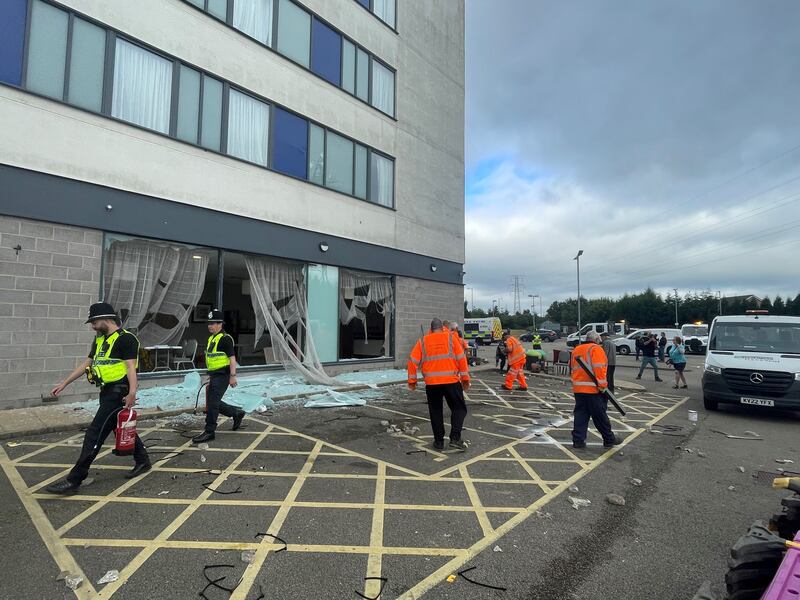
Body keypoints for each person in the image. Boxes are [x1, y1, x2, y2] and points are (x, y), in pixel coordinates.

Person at [45, 302, 151, 494]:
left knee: (95, 433)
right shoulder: (100, 339)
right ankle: (143, 460)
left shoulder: (127, 339)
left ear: (106, 319)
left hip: (118, 393)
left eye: (94, 322)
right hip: (105, 391)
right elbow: (88, 362)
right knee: (114, 426)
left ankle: (75, 479)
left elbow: (130, 367)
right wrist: (65, 383)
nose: (92, 326)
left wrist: (132, 393)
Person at [407, 318, 470, 450]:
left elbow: (412, 361)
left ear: (431, 329)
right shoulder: (451, 339)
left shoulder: (423, 341)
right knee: (459, 408)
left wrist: (412, 381)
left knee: (435, 412)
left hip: (432, 384)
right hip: (451, 382)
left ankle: (439, 442)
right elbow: (462, 360)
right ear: (443, 328)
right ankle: (455, 438)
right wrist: (465, 379)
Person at [192, 309, 245, 444]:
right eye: (209, 323)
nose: (210, 325)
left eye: (213, 323)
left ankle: (209, 432)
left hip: (224, 375)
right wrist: (210, 374)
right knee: (213, 402)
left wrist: (233, 376)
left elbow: (232, 359)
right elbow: (213, 359)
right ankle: (236, 413)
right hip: (215, 375)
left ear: (220, 324)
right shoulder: (211, 338)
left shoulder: (225, 339)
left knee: (213, 404)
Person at [570, 330, 620, 449]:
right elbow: (600, 369)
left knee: (581, 415)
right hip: (593, 389)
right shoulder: (596, 349)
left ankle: (578, 440)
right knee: (600, 415)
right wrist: (603, 387)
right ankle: (609, 439)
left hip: (579, 388)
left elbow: (572, 368)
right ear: (597, 340)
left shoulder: (577, 349)